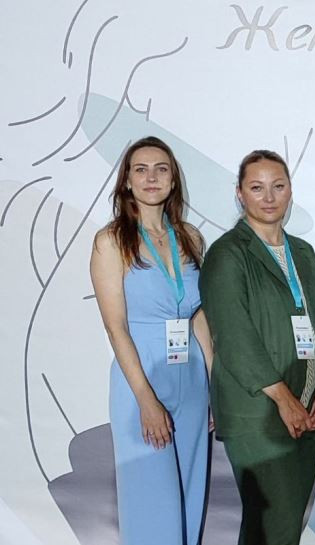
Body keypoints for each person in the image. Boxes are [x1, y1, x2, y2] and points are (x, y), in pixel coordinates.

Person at [199, 150, 315, 545]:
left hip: (309, 410)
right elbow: (232, 334)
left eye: (278, 186)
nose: (269, 197)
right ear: (240, 194)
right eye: (257, 188)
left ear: (290, 190)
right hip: (258, 413)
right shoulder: (228, 254)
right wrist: (282, 397)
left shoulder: (304, 254)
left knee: (280, 530)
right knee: (275, 526)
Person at [90, 136, 210, 545]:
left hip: (192, 378)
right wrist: (146, 400)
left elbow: (198, 318)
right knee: (151, 504)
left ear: (173, 179)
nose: (151, 177)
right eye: (140, 170)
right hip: (141, 378)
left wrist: (215, 385)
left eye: (161, 169)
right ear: (126, 180)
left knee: (189, 499)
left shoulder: (190, 237)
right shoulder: (111, 241)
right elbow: (116, 327)